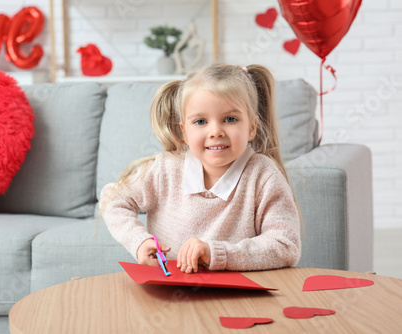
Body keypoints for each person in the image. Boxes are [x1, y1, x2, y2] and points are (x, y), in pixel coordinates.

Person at [100, 63, 301, 274]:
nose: (215, 131)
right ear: (184, 132)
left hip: (239, 298)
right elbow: (112, 199)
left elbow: (285, 246)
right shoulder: (166, 169)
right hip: (170, 295)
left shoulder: (264, 175)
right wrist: (139, 241)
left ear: (252, 127)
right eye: (201, 121)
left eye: (230, 119)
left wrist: (217, 253)